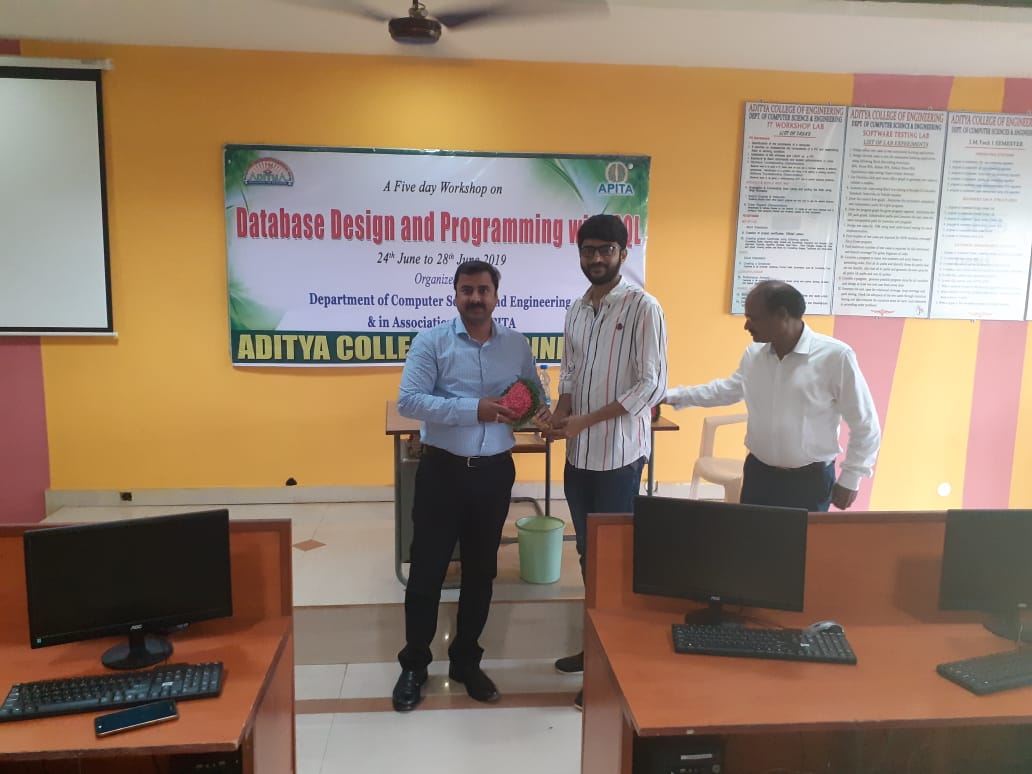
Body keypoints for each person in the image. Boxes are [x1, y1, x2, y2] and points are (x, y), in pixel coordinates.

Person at [392, 260, 544, 712]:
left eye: (483, 290)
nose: (475, 298)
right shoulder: (431, 341)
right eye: (467, 290)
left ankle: (465, 661)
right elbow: (410, 401)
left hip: (494, 473)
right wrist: (474, 409)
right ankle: (414, 665)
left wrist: (540, 412)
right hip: (442, 472)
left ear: (496, 295)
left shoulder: (516, 344)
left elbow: (534, 395)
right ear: (455, 295)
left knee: (481, 571)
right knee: (427, 572)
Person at [547, 214, 668, 710]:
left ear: (623, 252)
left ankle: (612, 665)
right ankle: (596, 646)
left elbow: (651, 386)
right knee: (587, 555)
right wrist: (560, 413)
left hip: (618, 458)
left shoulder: (643, 307)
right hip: (578, 457)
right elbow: (571, 372)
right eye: (588, 250)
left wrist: (587, 420)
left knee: (614, 561)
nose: (596, 258)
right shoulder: (577, 309)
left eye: (606, 250)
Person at [666, 279, 880, 512]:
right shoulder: (754, 354)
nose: (746, 326)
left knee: (802, 537)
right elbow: (726, 391)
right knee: (752, 536)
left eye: (753, 318)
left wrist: (852, 477)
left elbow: (865, 423)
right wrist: (670, 396)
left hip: (809, 483)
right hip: (759, 476)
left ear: (782, 315)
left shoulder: (835, 357)